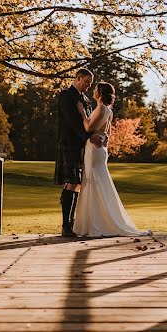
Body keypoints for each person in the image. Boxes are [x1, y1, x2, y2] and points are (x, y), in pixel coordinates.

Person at [73, 82, 151, 238]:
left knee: (93, 182)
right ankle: (99, 220)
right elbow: (107, 135)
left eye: (95, 89)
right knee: (99, 182)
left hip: (94, 149)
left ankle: (95, 223)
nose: (93, 91)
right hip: (101, 149)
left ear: (100, 93)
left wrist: (82, 113)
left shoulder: (101, 108)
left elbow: (88, 128)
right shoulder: (109, 111)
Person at [53, 68, 105, 237]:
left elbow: (88, 122)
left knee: (76, 184)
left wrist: (95, 136)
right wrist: (90, 137)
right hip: (69, 144)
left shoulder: (85, 99)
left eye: (90, 84)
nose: (88, 87)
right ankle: (65, 226)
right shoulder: (67, 95)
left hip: (81, 146)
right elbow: (73, 121)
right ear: (77, 78)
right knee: (71, 182)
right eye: (86, 82)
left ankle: (70, 224)